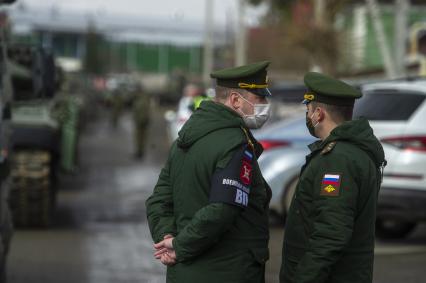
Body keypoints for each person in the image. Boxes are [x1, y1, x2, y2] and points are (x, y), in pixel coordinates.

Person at [146, 61, 273, 283]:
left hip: (183, 273)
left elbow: (158, 200)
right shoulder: (235, 144)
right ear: (235, 100)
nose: (265, 104)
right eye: (259, 98)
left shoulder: (182, 141)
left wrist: (166, 236)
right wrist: (178, 245)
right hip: (226, 272)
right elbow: (222, 209)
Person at [280, 72, 386, 283]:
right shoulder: (351, 152)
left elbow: (331, 234)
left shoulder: (337, 160)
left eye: (308, 109)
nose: (307, 114)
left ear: (318, 114)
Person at [132, 84, 151, 159]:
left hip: (141, 121)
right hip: (140, 121)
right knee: (140, 137)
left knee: (140, 137)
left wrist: (144, 120)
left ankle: (140, 152)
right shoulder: (141, 98)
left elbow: (144, 111)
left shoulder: (142, 99)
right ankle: (139, 151)